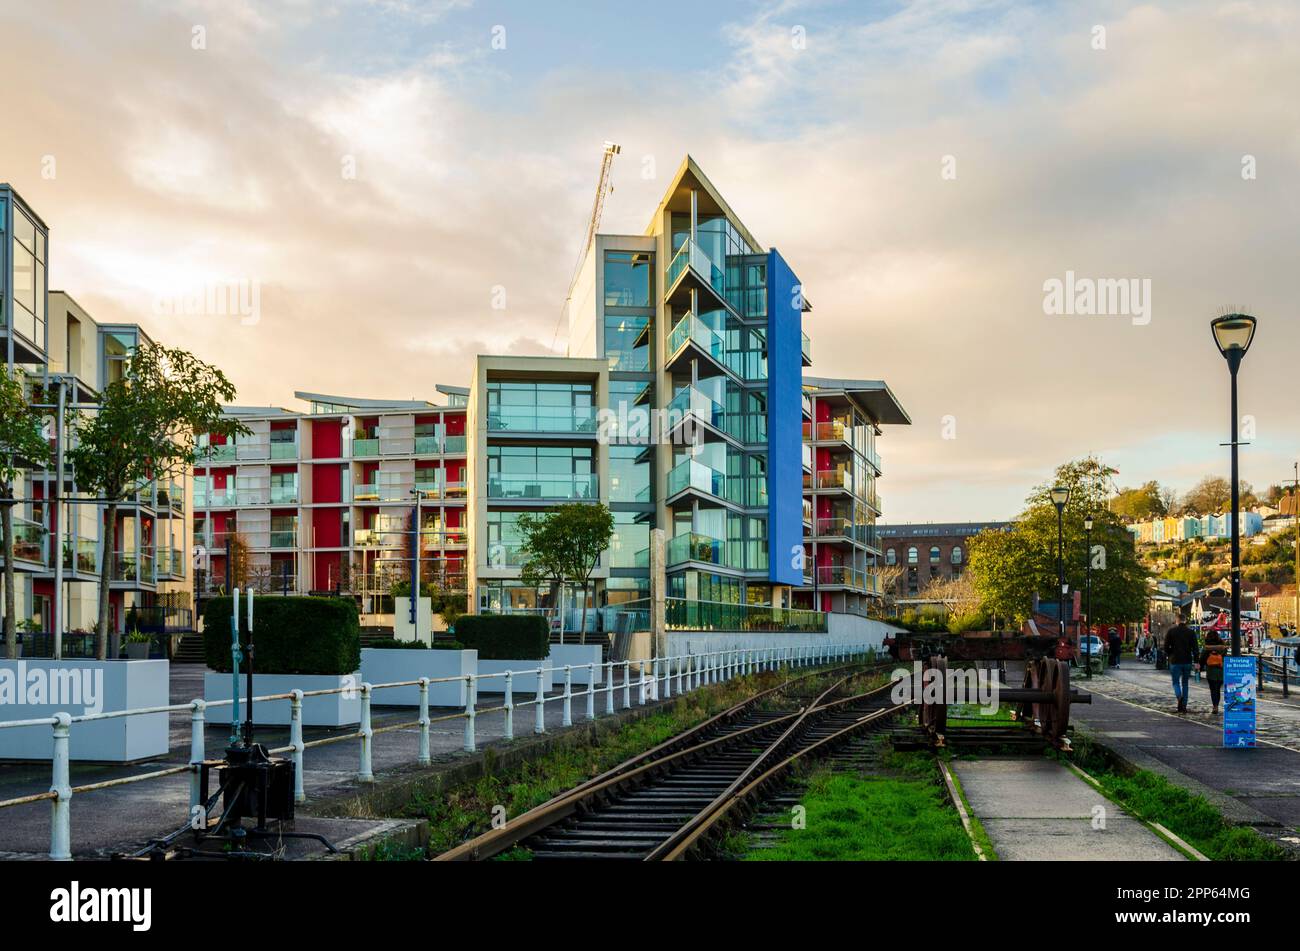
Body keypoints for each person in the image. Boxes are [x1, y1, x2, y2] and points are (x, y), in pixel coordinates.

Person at [1165, 613, 1199, 713]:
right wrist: (1196, 661)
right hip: (1187, 661)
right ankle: (1184, 705)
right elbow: (1195, 649)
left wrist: (1170, 654)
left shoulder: (1171, 631)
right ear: (1185, 620)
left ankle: (1179, 698)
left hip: (1175, 660)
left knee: (1175, 682)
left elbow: (1166, 647)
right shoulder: (1191, 632)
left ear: (1177, 620)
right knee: (1185, 683)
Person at [1198, 629, 1227, 715]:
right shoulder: (1222, 647)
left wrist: (1200, 667)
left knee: (1213, 689)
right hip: (1221, 671)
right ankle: (1216, 705)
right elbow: (1225, 656)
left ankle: (1215, 706)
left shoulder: (1207, 647)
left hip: (1211, 671)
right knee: (1217, 689)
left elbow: (1202, 658)